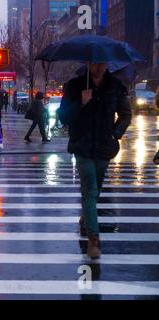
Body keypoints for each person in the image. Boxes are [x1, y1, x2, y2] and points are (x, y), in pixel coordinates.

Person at [58, 63, 132, 259]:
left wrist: (115, 134)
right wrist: (81, 103)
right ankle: (94, 239)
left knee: (95, 191)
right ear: (88, 64)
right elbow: (63, 116)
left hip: (104, 148)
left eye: (102, 62)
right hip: (82, 147)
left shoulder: (115, 87)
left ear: (107, 64)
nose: (98, 66)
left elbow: (126, 114)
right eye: (94, 62)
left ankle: (86, 218)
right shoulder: (74, 86)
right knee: (89, 190)